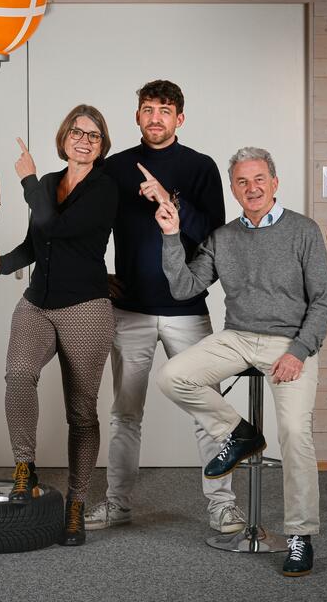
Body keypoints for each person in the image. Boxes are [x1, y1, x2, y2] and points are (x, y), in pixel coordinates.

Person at [153, 147, 327, 577]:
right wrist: (171, 235)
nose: (251, 188)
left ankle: (298, 536)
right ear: (233, 188)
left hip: (289, 342)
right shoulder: (224, 237)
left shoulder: (303, 231)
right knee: (173, 377)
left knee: (294, 434)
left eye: (258, 180)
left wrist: (298, 351)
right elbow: (185, 287)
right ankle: (240, 433)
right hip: (237, 336)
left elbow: (324, 300)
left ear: (274, 183)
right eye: (241, 182)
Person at [88, 79, 237, 534]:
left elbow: (217, 237)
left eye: (165, 110)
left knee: (208, 412)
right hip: (129, 310)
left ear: (180, 118)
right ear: (136, 116)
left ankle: (222, 505)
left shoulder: (200, 167)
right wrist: (99, 277)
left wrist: (168, 198)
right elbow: (88, 231)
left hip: (188, 309)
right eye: (148, 109)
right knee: (125, 414)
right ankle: (117, 503)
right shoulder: (113, 169)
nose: (155, 117)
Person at [0, 105, 118, 546]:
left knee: (81, 412)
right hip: (37, 303)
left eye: (93, 136)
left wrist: (24, 180)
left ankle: (75, 505)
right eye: (76, 131)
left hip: (86, 308)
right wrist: (3, 262)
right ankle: (25, 466)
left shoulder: (104, 189)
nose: (83, 139)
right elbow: (35, 242)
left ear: (101, 146)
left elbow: (53, 223)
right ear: (64, 137)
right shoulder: (49, 185)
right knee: (18, 374)